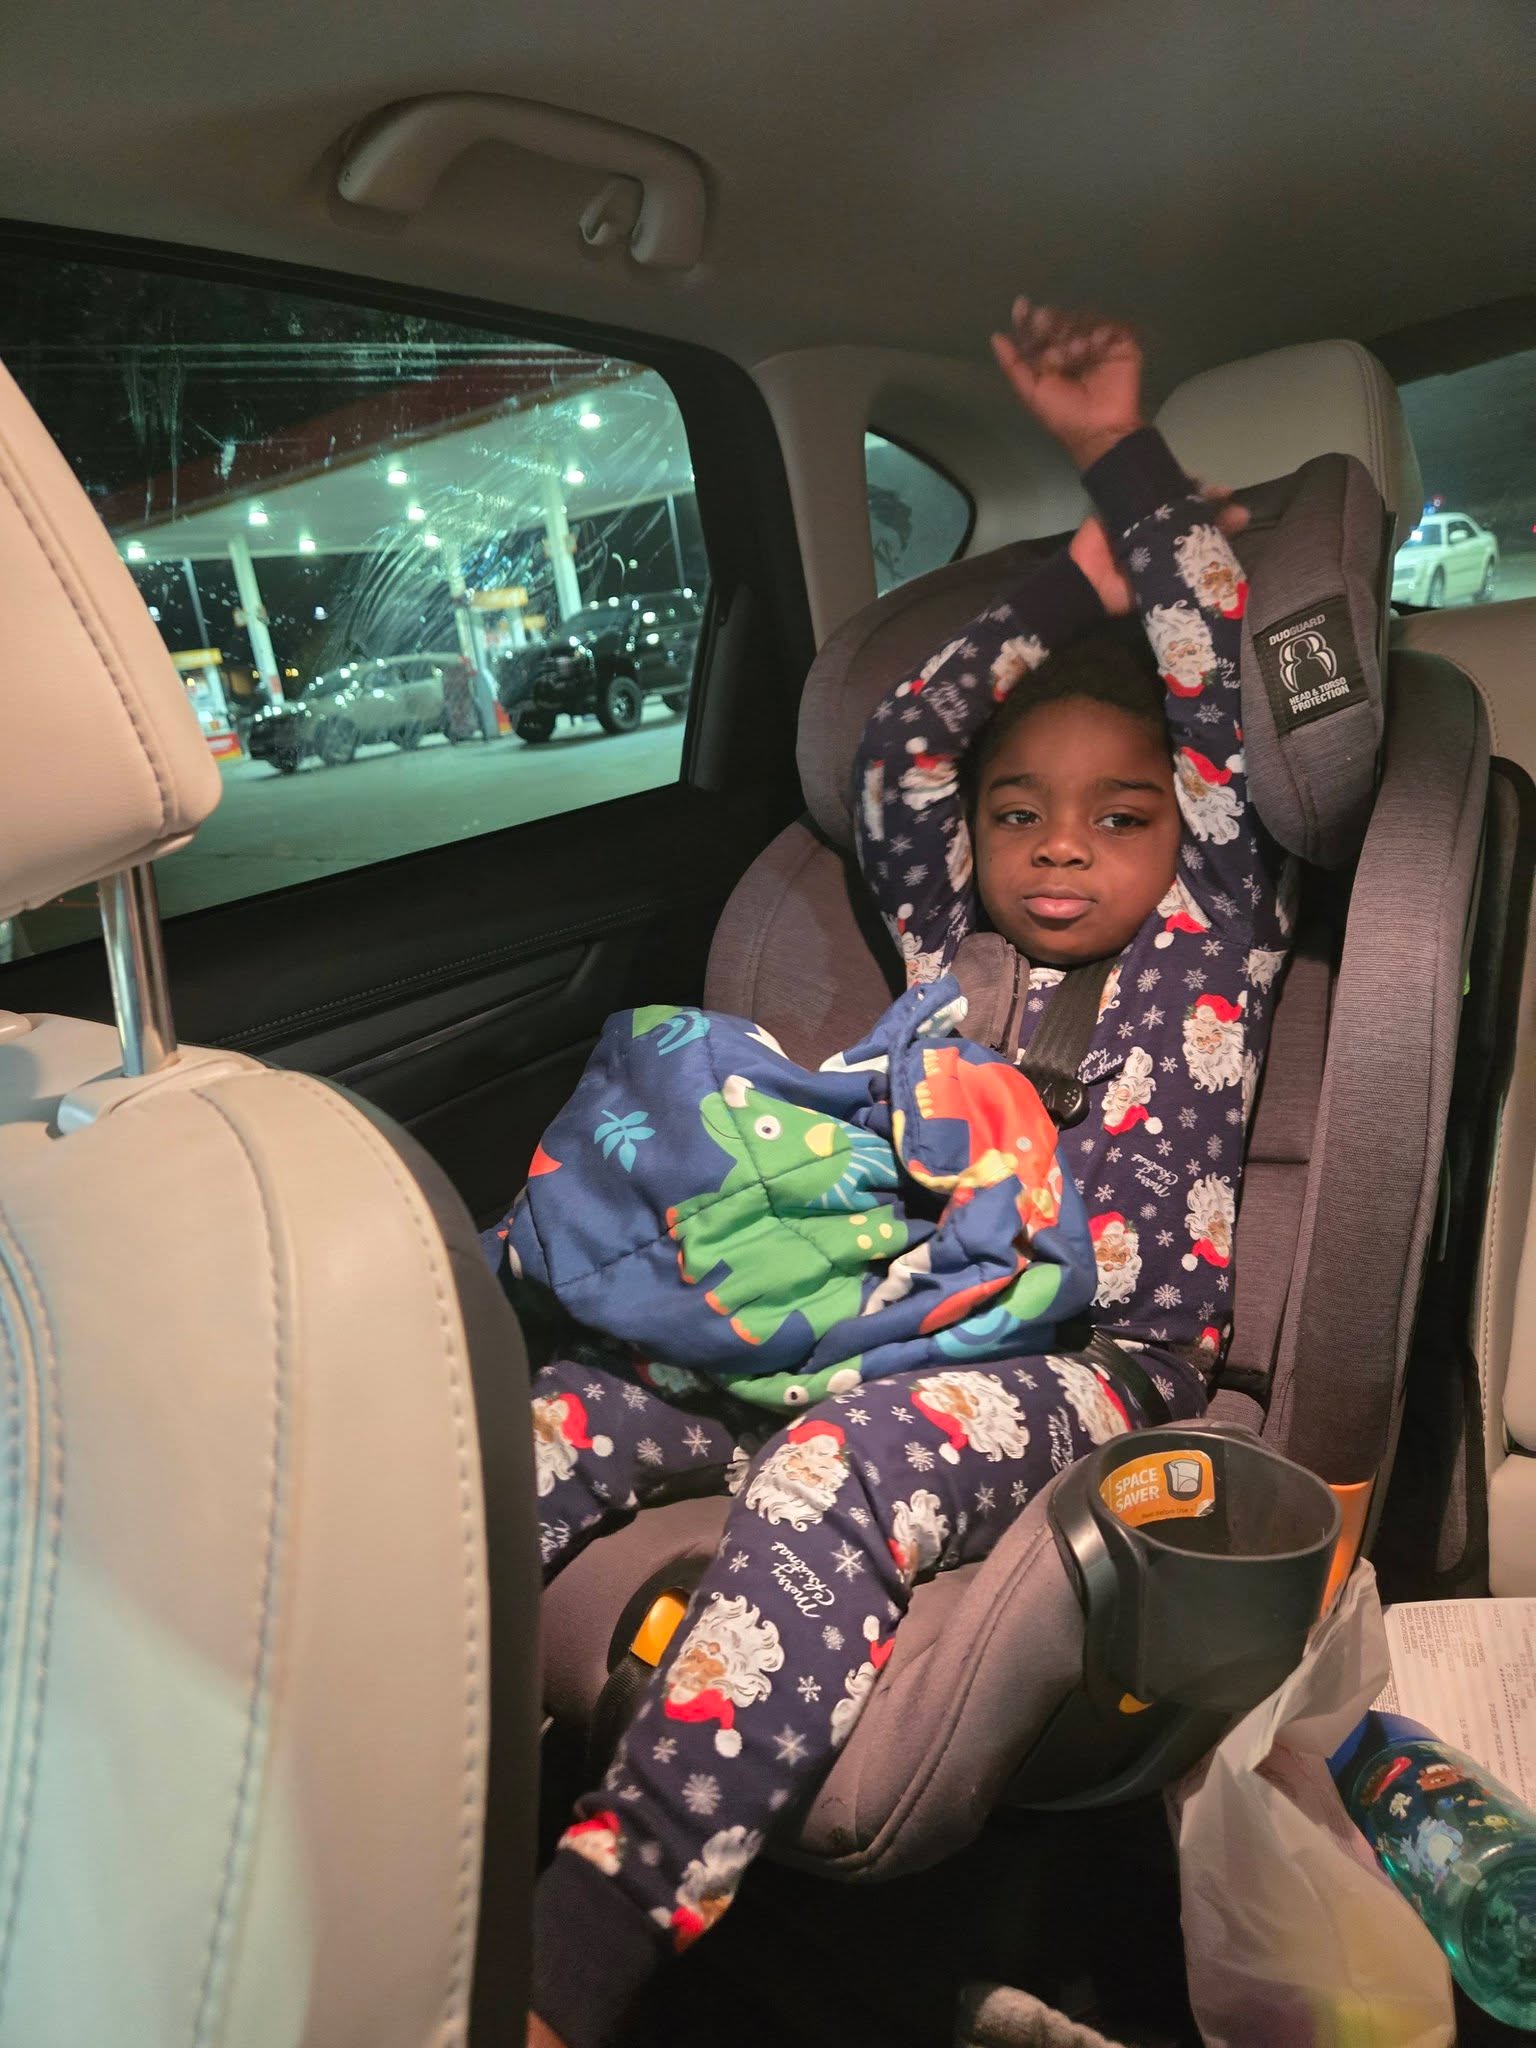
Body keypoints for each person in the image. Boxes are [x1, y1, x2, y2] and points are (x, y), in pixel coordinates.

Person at [526, 301, 1291, 2048]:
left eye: (1119, 814)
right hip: (871, 1316)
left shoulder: (1209, 937)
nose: (1062, 848)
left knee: (833, 1468)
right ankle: (383, 1747)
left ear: (1184, 835)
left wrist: (1125, 469)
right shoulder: (946, 943)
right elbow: (906, 746)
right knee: (554, 1416)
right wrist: (1061, 583)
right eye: (1024, 812)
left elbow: (1214, 708)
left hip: (1086, 1370)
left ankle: (603, 1921)